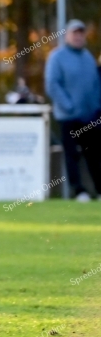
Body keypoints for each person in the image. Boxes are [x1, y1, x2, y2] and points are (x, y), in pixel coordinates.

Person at [45, 19, 101, 202]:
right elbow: (52, 84)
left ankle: (98, 190)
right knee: (72, 155)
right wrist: (69, 106)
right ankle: (79, 191)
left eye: (81, 33)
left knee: (93, 154)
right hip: (68, 117)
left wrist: (96, 108)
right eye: (74, 33)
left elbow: (95, 85)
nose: (78, 37)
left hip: (89, 116)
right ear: (66, 35)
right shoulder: (57, 57)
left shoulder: (87, 57)